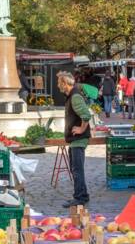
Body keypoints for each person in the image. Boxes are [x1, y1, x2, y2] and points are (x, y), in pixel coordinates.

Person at [57, 71, 91, 208]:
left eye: (59, 83)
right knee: (76, 169)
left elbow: (86, 115)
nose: (58, 85)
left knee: (77, 170)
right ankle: (83, 195)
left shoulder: (75, 97)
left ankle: (80, 198)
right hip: (75, 139)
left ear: (65, 83)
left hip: (79, 139)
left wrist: (82, 129)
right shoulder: (72, 95)